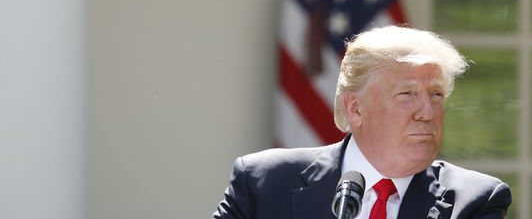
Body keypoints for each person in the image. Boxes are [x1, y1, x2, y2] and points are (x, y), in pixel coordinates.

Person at [211, 25, 512, 219]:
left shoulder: (474, 202)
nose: (427, 111)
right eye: (407, 93)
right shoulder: (263, 184)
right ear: (355, 108)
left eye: (435, 94)